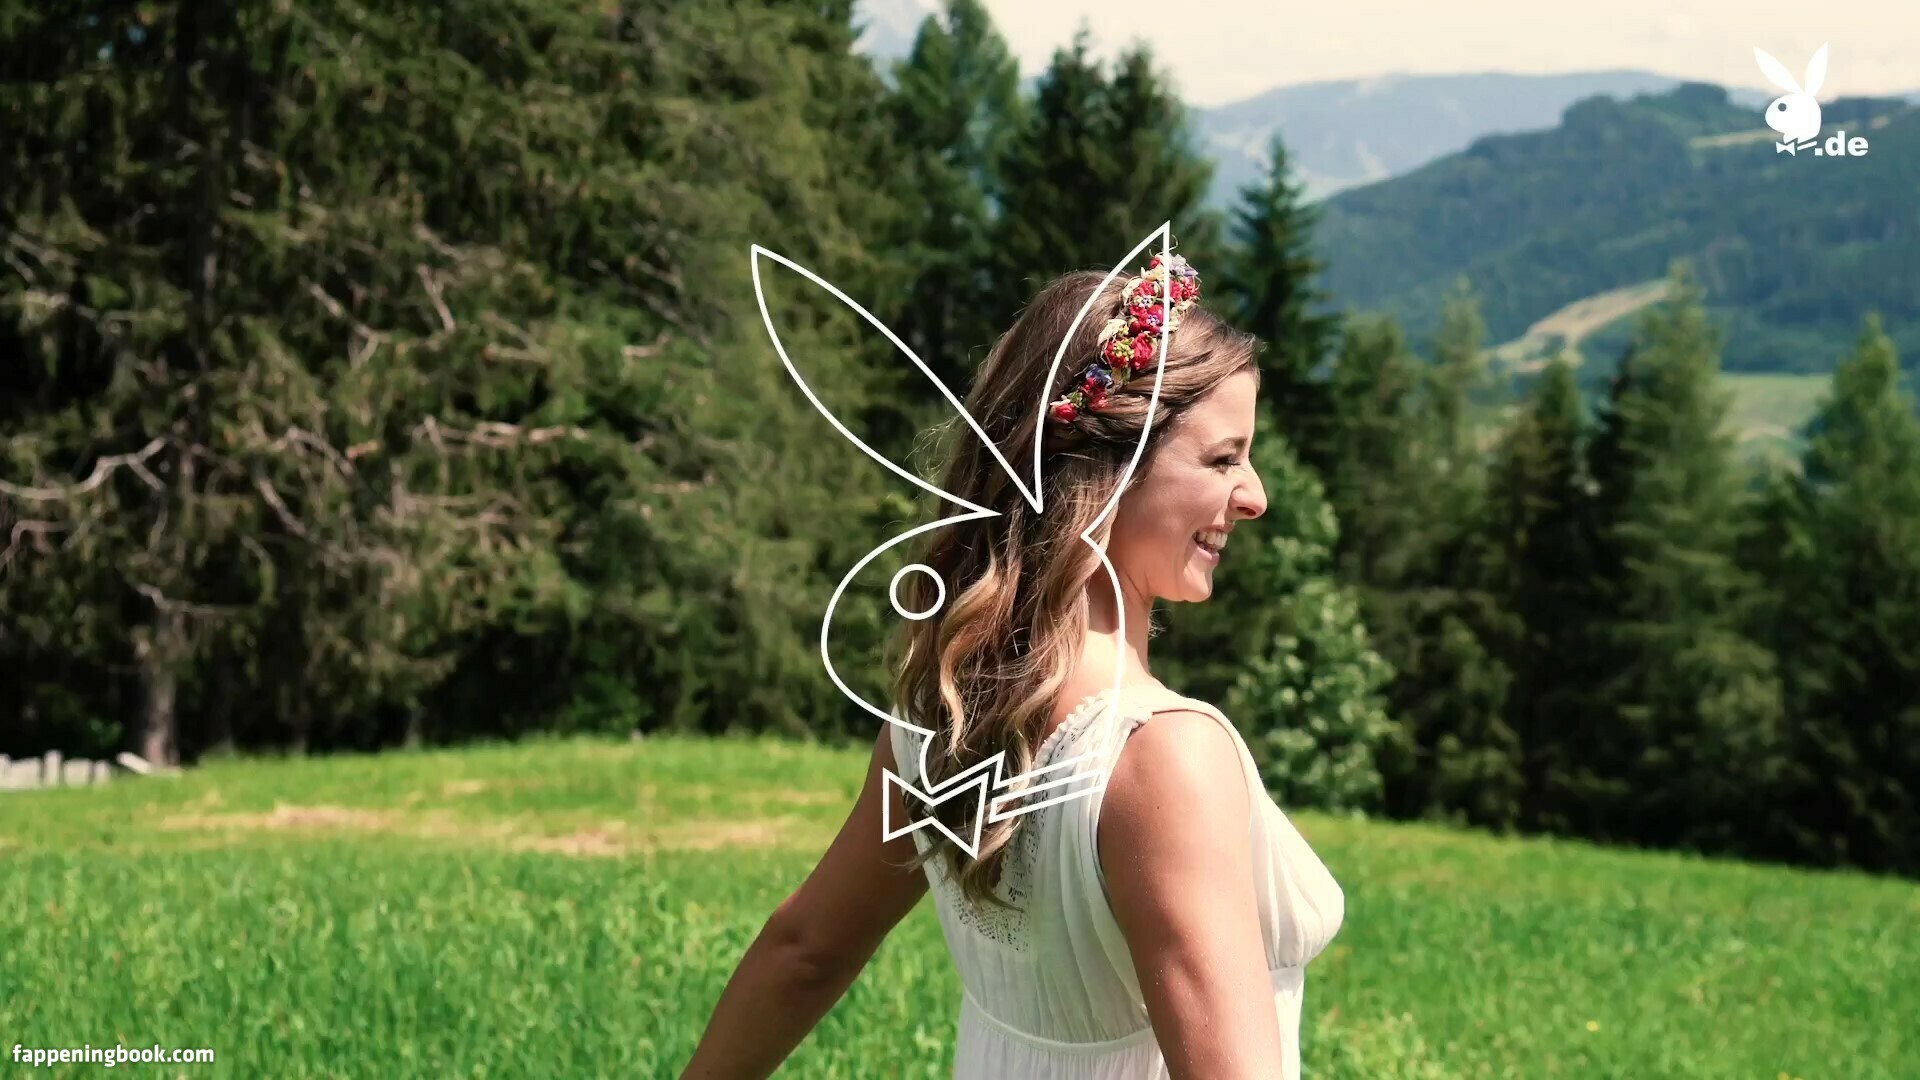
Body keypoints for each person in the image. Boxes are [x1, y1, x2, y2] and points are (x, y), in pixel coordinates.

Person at [682, 252, 1344, 1079]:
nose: (1255, 496)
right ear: (1105, 472)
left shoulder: (944, 719)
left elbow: (806, 951)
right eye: (1223, 459)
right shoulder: (1165, 757)